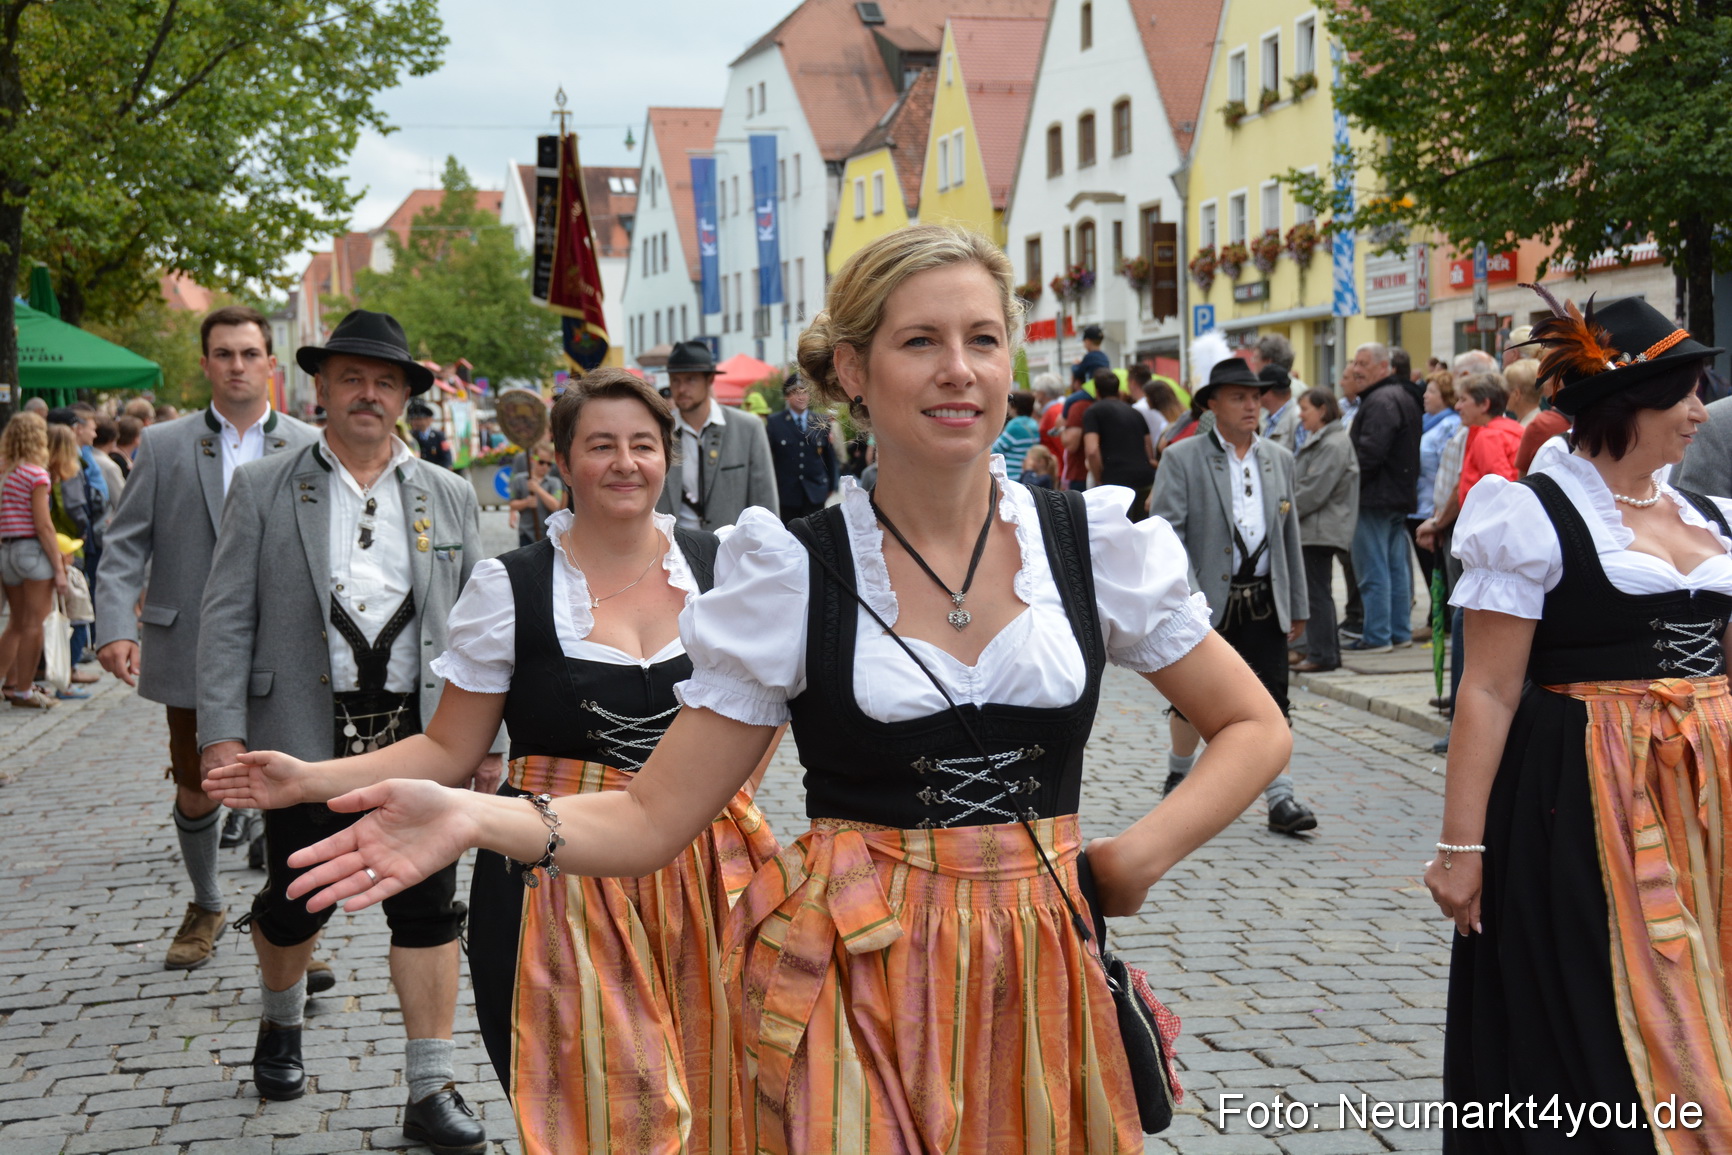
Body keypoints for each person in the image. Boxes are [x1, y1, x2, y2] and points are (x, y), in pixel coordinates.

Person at [277, 225, 1296, 1153]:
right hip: (859, 973)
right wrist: (468, 816)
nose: (959, 370)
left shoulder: (1090, 544)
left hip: (1040, 977)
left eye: (983, 340)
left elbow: (1251, 724)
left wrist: (1131, 858)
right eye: (919, 342)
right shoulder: (794, 572)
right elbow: (647, 820)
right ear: (852, 369)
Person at [207, 369, 782, 1152]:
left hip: (713, 874)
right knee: (618, 1119)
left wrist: (728, 793)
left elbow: (772, 705)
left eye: (644, 445)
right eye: (601, 445)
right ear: (562, 459)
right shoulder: (512, 589)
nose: (625, 463)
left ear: (669, 457)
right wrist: (311, 777)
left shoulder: (729, 568)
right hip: (556, 883)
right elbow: (449, 746)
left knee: (733, 1102)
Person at [1430, 292, 1732, 1147]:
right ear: (1625, 404)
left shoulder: (1708, 517)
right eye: (1684, 394)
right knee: (1607, 1007)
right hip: (1585, 802)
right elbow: (1486, 690)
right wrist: (1461, 848)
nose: (1699, 413)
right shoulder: (1532, 515)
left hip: (1709, 809)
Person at [194, 309, 496, 1152]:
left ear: (404, 395)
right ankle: (282, 1021)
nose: (369, 393)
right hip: (301, 735)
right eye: (353, 378)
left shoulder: (449, 492)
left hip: (420, 732)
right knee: (294, 904)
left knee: (429, 909)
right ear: (320, 388)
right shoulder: (265, 487)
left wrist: (491, 740)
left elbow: (479, 629)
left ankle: (430, 1084)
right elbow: (225, 620)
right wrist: (221, 734)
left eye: (386, 381)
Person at [95, 305, 319, 966]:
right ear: (205, 364)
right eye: (224, 354)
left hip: (289, 649)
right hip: (192, 642)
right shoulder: (165, 446)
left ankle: (292, 920)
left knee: (295, 783)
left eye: (250, 353)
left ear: (270, 363)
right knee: (199, 782)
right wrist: (112, 623)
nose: (238, 366)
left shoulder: (308, 444)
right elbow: (124, 543)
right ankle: (208, 900)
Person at [1151, 357, 1318, 834]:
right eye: (1239, 397)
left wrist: (1298, 603)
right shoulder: (1183, 457)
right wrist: (1186, 599)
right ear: (1212, 404)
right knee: (1190, 699)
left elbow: (1289, 537)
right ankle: (1178, 776)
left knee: (1274, 698)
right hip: (1205, 600)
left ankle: (1280, 799)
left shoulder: (1278, 458)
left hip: (1265, 598)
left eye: (1255, 397)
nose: (1252, 406)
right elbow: (1166, 533)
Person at [1345, 342, 1423, 654]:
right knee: (1394, 568)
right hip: (1396, 496)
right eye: (1355, 362)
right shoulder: (1399, 396)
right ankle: (1398, 632)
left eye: (1364, 363)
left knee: (1373, 569)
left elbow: (1369, 454)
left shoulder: (1380, 400)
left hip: (1374, 497)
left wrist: (1347, 485)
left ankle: (1378, 635)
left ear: (1383, 368)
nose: (1356, 369)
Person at [655, 339, 778, 530]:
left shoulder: (748, 428)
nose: (681, 389)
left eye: (690, 379)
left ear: (710, 380)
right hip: (675, 551)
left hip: (731, 551)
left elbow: (765, 504)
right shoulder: (659, 431)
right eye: (675, 380)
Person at [0, 413, 67, 710]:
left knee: (15, 622)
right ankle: (24, 690)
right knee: (34, 625)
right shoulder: (35, 474)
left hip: (7, 552)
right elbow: (43, 525)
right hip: (31, 550)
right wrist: (59, 567)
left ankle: (8, 680)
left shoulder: (5, 472)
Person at [1293, 388, 1358, 673]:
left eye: (1305, 408)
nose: (1300, 415)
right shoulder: (1325, 440)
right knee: (1318, 592)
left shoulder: (1332, 444)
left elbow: (1313, 491)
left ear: (1322, 410)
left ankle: (1322, 654)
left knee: (1317, 594)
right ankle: (1324, 652)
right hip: (1316, 528)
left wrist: (1281, 512)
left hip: (1320, 530)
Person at [1410, 371, 1462, 635]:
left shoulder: (1449, 425)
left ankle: (1439, 620)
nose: (1425, 396)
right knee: (1427, 568)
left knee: (1436, 568)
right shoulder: (1427, 422)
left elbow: (1449, 468)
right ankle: (1436, 617)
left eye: (1431, 391)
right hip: (1418, 504)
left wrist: (1438, 514)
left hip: (1433, 508)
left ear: (1446, 396)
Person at [1081, 371, 1155, 519]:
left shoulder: (1093, 412)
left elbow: (1092, 450)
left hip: (1115, 483)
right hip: (1145, 480)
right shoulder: (1135, 412)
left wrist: (1099, 478)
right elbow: (1149, 448)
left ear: (1097, 391)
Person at [766, 374, 840, 521]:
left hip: (815, 492)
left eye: (804, 392)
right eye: (796, 392)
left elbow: (829, 456)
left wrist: (832, 485)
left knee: (815, 536)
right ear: (787, 396)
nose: (801, 397)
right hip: (786, 493)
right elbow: (768, 458)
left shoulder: (821, 421)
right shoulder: (775, 423)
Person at [506, 440, 563, 546]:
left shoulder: (554, 482)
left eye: (549, 464)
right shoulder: (520, 479)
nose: (545, 466)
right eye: (541, 462)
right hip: (526, 533)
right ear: (533, 459)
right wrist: (526, 502)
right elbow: (512, 503)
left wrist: (538, 489)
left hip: (549, 534)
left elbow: (555, 505)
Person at [990, 390, 1041, 482]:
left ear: (1015, 407)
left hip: (1012, 475)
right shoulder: (1034, 425)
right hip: (1027, 473)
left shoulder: (1015, 426)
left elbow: (996, 449)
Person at [1059, 363, 1095, 489]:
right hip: (1096, 472)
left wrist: (1062, 428)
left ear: (1077, 382)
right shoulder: (1097, 400)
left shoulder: (1078, 406)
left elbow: (1071, 444)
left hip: (1080, 475)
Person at [406, 400, 452, 468]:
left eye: (419, 419)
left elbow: (447, 459)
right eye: (413, 419)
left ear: (429, 420)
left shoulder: (438, 436)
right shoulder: (410, 436)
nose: (415, 422)